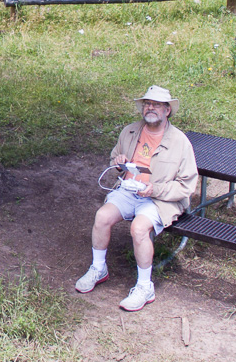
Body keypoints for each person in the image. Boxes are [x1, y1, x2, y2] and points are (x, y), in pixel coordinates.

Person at [75, 85, 198, 312]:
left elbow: (186, 186)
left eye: (156, 105)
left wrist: (155, 190)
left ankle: (144, 287)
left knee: (139, 229)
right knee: (102, 217)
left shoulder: (180, 142)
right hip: (129, 191)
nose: (150, 108)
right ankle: (98, 268)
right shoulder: (130, 131)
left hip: (160, 199)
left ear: (167, 110)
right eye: (147, 104)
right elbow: (115, 158)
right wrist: (119, 163)